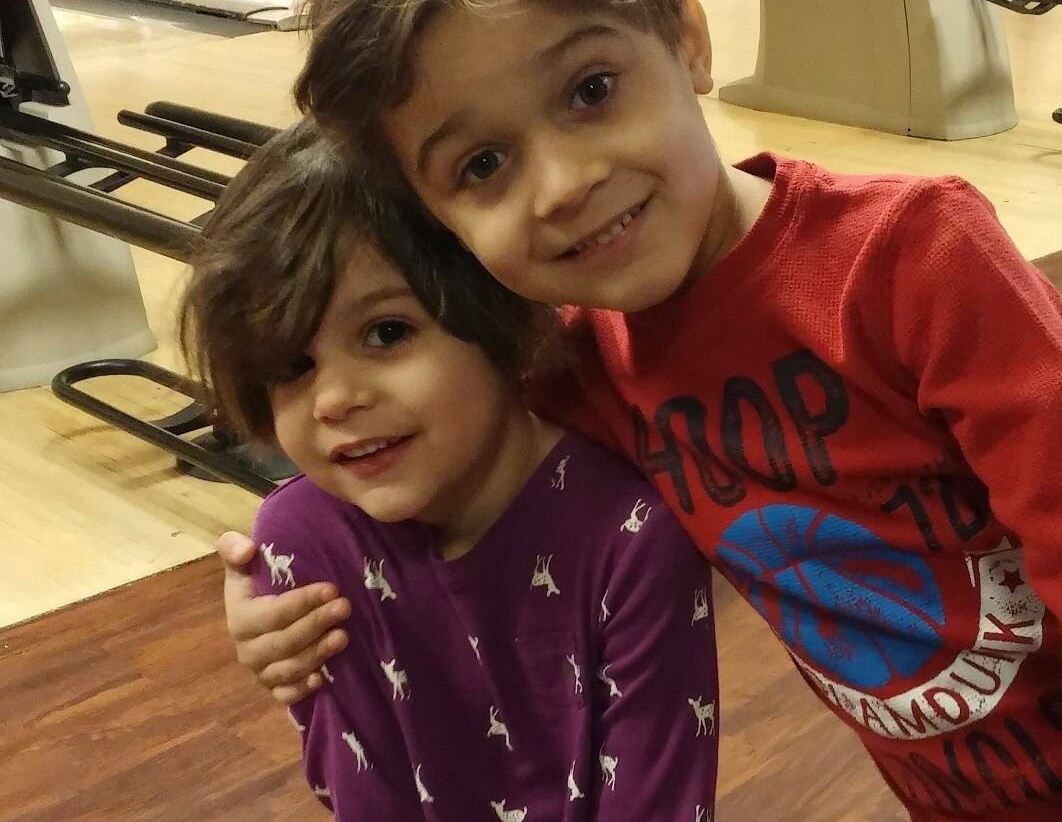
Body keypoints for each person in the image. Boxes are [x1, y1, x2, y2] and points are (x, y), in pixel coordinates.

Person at [217, 0, 1062, 821]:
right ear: (441, 222)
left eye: (591, 92)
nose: (563, 183)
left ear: (687, 38)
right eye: (483, 166)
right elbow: (411, 454)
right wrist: (283, 589)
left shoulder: (910, 262)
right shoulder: (581, 370)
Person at [181, 117, 718, 821]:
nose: (336, 399)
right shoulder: (302, 541)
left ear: (495, 307)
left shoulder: (632, 534)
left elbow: (657, 798)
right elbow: (356, 790)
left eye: (387, 333)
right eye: (293, 367)